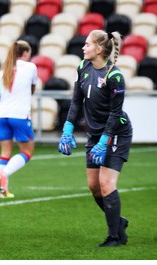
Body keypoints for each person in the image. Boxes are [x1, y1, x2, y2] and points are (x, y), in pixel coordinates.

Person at [58, 30, 132, 247]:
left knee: (106, 184)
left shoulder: (114, 76)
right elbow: (76, 101)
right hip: (95, 133)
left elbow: (115, 113)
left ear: (99, 49)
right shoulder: (83, 67)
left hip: (116, 132)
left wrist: (103, 142)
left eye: (87, 44)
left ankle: (115, 236)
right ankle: (119, 221)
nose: (83, 47)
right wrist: (68, 129)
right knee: (94, 186)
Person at [0, 40, 37, 198]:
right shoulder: (30, 67)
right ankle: (4, 174)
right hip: (20, 115)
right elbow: (32, 89)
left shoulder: (3, 72)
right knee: (27, 152)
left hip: (2, 116)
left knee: (5, 152)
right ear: (25, 53)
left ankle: (2, 191)